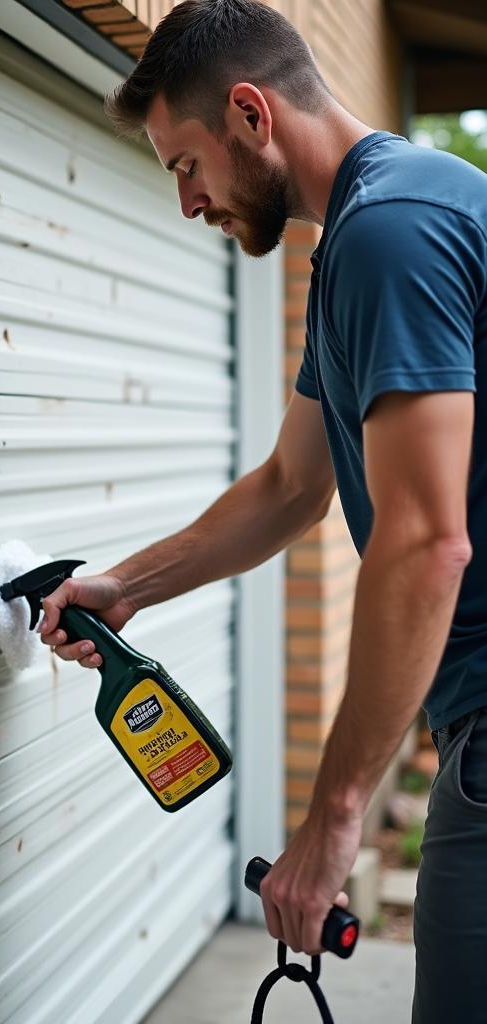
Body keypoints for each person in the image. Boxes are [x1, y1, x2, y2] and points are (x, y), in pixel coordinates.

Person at [34, 1, 487, 1018]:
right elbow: (292, 485)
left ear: (249, 114)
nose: (187, 204)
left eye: (184, 166)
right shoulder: (364, 240)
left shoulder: (390, 235)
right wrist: (124, 586)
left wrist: (332, 822)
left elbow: (423, 543)